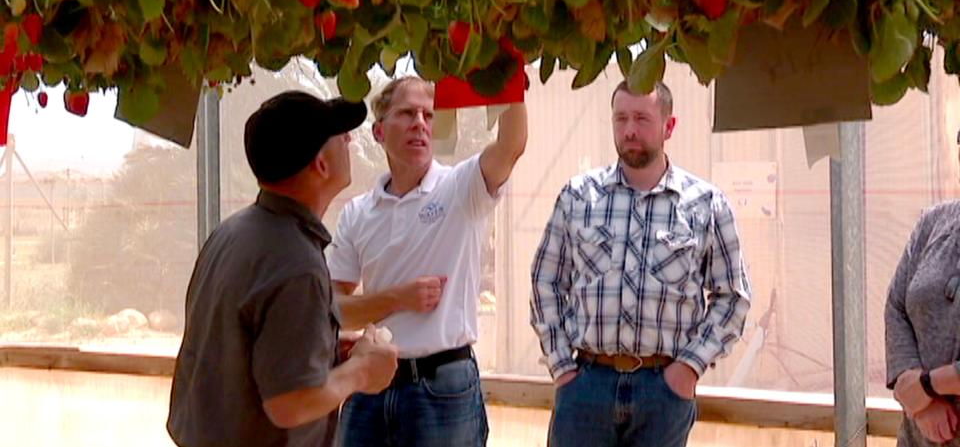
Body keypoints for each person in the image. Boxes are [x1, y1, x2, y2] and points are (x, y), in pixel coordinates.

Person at [167, 91, 398, 447]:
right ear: (320, 165)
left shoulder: (233, 232)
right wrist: (363, 371)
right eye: (340, 135)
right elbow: (289, 404)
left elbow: (243, 350)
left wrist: (322, 351)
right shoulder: (296, 263)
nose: (349, 139)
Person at [530, 80, 752, 447]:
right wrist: (561, 367)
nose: (629, 130)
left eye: (642, 119)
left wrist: (689, 368)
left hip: (662, 393)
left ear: (669, 126)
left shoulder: (705, 204)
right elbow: (546, 282)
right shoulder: (578, 196)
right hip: (585, 385)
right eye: (620, 118)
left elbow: (733, 296)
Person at [328, 76, 527, 446]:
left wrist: (508, 77)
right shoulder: (357, 213)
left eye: (428, 115)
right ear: (378, 131)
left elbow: (511, 145)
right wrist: (398, 299)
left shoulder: (462, 187)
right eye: (406, 113)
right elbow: (335, 311)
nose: (420, 122)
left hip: (444, 389)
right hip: (368, 384)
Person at [885, 129, 960, 446]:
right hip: (918, 437)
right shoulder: (933, 223)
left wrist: (927, 386)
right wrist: (916, 397)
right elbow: (896, 307)